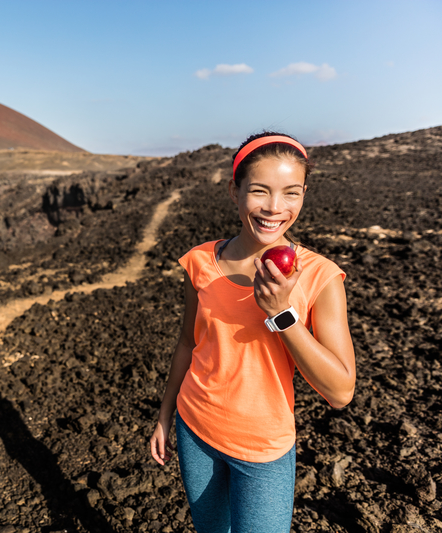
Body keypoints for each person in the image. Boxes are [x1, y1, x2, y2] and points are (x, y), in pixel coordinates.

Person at [149, 132, 356, 532]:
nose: (275, 208)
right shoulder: (200, 262)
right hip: (195, 430)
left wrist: (282, 314)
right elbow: (188, 344)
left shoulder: (320, 276)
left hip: (263, 450)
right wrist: (164, 413)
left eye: (291, 193)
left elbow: (341, 392)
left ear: (304, 195)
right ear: (234, 191)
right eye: (260, 191)